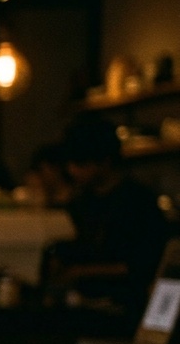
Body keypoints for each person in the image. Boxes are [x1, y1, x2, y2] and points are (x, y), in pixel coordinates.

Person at [55, 117, 168, 322]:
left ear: (104, 161)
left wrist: (80, 272)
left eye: (80, 163)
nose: (72, 170)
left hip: (123, 311)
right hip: (80, 308)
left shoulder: (138, 202)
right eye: (70, 163)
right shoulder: (81, 202)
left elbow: (143, 266)